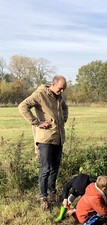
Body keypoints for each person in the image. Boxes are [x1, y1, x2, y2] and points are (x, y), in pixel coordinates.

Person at [18, 75, 68, 210]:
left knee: (55, 167)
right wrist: (37, 122)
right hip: (45, 138)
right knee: (45, 169)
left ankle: (52, 193)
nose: (62, 91)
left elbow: (64, 107)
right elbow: (23, 106)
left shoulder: (59, 96)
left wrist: (64, 118)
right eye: (60, 88)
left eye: (64, 89)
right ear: (53, 84)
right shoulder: (40, 94)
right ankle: (43, 197)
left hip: (58, 138)